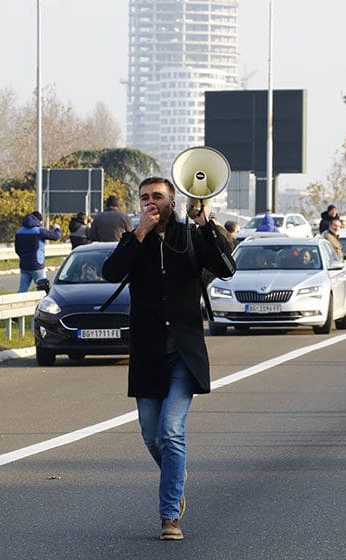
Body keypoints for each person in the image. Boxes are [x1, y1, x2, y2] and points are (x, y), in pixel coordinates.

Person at [102, 177, 235, 541]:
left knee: (172, 430)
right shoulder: (135, 240)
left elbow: (225, 267)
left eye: (157, 197)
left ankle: (169, 516)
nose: (150, 203)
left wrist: (204, 224)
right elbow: (110, 272)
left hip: (183, 354)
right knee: (152, 436)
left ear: (171, 202)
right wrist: (137, 235)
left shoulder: (191, 237)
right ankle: (175, 475)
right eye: (144, 197)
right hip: (147, 353)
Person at [15, 211, 62, 292]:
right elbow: (56, 236)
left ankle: (17, 303)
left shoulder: (19, 232)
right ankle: (42, 304)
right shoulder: (39, 231)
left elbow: (17, 249)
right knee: (42, 289)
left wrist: (24, 257)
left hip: (24, 264)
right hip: (37, 264)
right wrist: (57, 228)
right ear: (38, 220)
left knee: (22, 289)